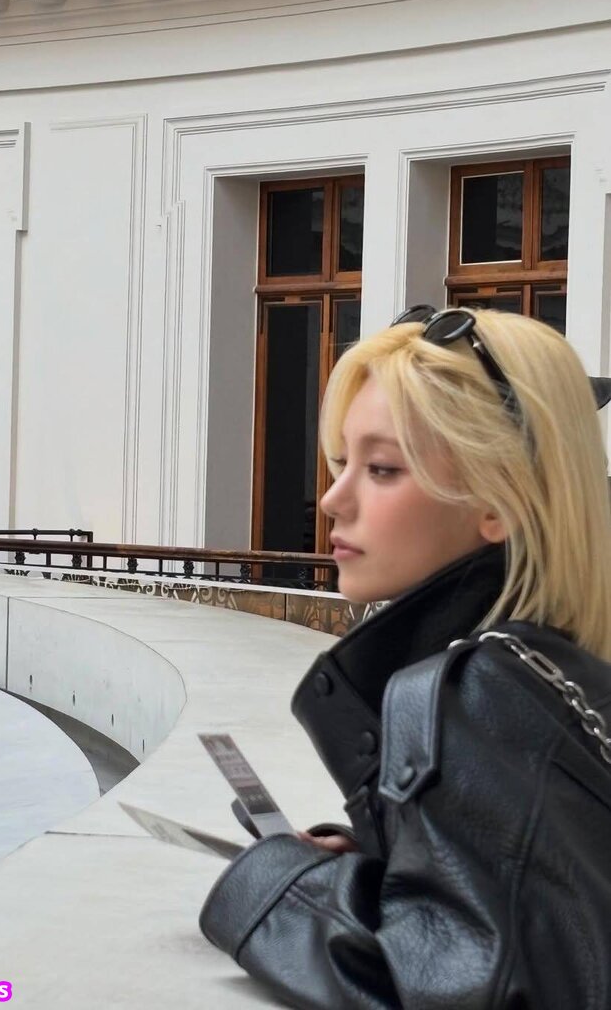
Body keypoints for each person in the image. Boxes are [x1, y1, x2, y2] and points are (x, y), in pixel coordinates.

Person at [200, 305, 611, 1009]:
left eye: (383, 469)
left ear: (498, 502)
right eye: (343, 463)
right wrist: (399, 860)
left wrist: (277, 887)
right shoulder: (559, 668)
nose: (333, 499)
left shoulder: (477, 693)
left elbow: (461, 993)